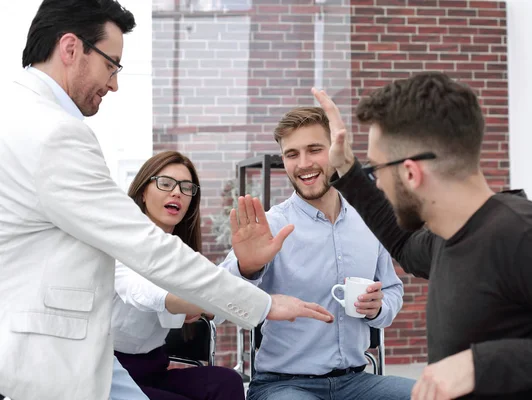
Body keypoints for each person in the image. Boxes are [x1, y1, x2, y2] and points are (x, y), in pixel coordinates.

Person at [0, 1, 333, 399]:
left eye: (187, 188)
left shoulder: (18, 115)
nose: (114, 84)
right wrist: (261, 304)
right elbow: (147, 252)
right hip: (44, 358)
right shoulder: (52, 132)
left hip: (84, 356)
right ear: (71, 49)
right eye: (112, 65)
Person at [311, 73, 532, 399]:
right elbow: (403, 244)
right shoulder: (445, 237)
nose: (376, 182)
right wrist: (347, 170)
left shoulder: (525, 236)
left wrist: (480, 364)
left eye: (375, 170)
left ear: (410, 173)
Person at [220, 107, 415, 400]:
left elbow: (392, 290)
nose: (304, 164)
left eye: (314, 149)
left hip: (356, 383)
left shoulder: (368, 220)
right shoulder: (270, 225)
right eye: (292, 154)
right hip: (284, 385)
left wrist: (378, 308)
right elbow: (219, 297)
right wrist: (247, 268)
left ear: (335, 152)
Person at [112, 151, 245, 400]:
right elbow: (141, 292)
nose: (177, 193)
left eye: (186, 188)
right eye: (165, 183)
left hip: (152, 369)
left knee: (227, 382)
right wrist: (187, 300)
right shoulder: (122, 240)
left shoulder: (181, 253)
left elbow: (213, 314)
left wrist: (246, 266)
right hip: (110, 373)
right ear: (143, 191)